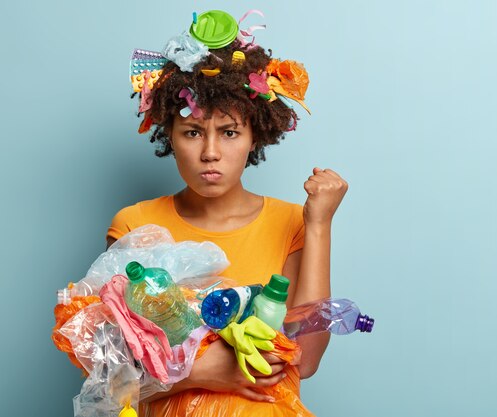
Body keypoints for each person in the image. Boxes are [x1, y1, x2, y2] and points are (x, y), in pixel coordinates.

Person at [107, 10, 348, 414]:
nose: (211, 152)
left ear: (256, 136)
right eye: (193, 132)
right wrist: (200, 372)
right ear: (171, 134)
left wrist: (319, 224)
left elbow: (305, 359)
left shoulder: (291, 223)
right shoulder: (135, 225)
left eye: (230, 132)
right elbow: (111, 374)